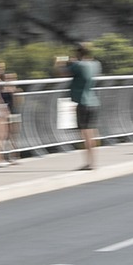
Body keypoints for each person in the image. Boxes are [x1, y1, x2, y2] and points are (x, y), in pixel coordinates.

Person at [55, 42, 101, 170]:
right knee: (92, 133)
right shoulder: (96, 64)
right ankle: (93, 161)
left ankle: (89, 163)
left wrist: (60, 62)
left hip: (82, 102)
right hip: (94, 101)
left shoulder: (78, 65)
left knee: (85, 134)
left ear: (78, 53)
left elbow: (62, 73)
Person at [1, 71, 23, 163]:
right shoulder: (1, 90)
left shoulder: (17, 90)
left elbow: (19, 102)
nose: (9, 80)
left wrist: (15, 93)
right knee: (5, 135)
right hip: (5, 114)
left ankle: (15, 156)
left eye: (11, 78)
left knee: (14, 135)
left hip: (14, 113)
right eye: (7, 78)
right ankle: (6, 156)